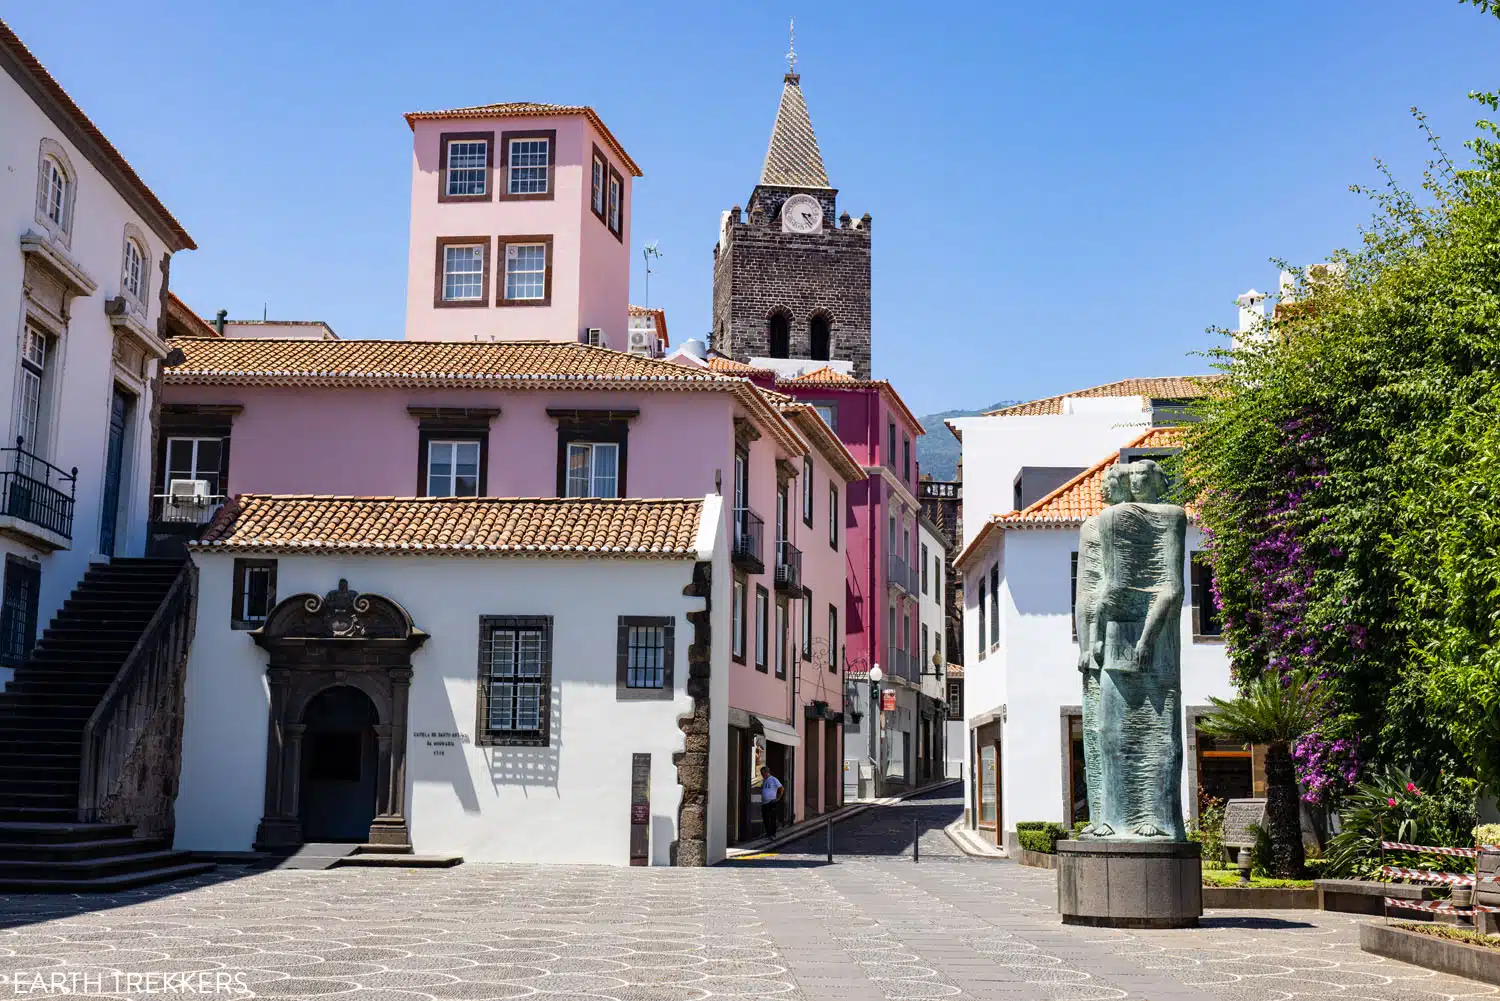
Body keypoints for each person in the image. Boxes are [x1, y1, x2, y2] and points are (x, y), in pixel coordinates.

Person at [759, 765, 784, 839]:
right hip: (764, 803)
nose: (762, 775)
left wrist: (778, 798)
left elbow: (781, 788)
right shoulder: (764, 780)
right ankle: (768, 833)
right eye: (761, 773)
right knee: (765, 818)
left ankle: (773, 834)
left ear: (767, 772)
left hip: (771, 802)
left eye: (763, 773)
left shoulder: (773, 779)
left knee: (772, 818)